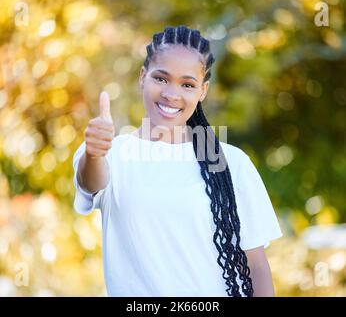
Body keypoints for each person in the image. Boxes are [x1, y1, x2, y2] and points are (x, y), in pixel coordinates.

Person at [72, 25, 282, 297]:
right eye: (161, 79)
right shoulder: (110, 153)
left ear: (202, 90)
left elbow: (256, 266)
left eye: (187, 84)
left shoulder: (231, 162)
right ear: (142, 76)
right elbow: (91, 183)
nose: (172, 94)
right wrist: (94, 153)